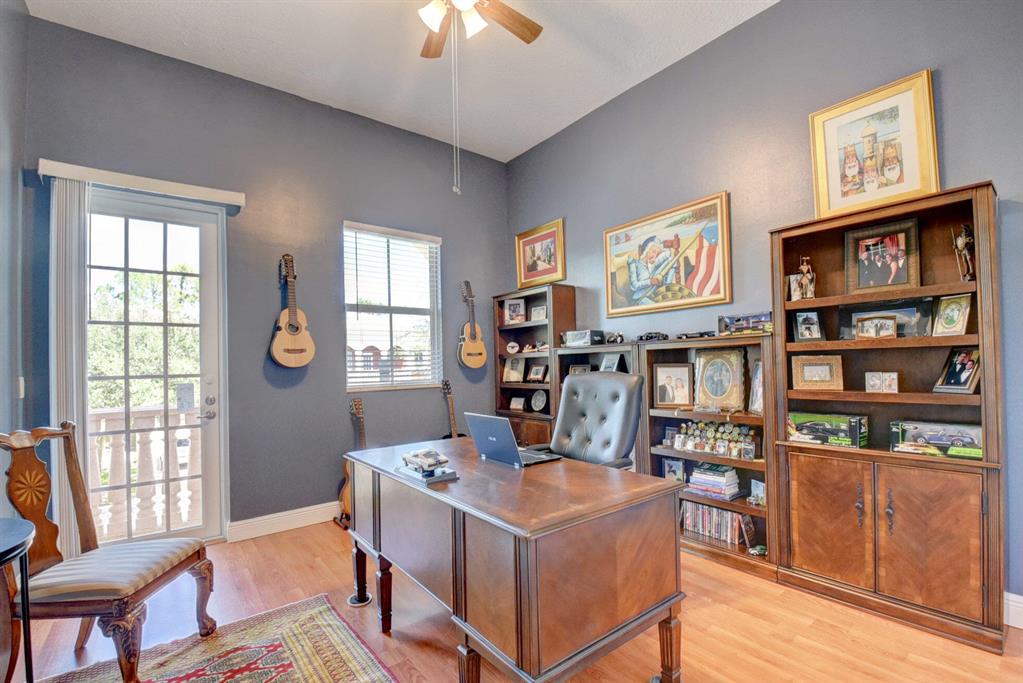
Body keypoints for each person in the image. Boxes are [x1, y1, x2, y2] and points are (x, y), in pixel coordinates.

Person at [628, 236, 677, 304]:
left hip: (654, 297)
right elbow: (634, 286)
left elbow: (670, 257)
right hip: (639, 299)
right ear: (647, 250)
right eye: (653, 251)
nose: (655, 256)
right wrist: (650, 281)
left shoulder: (654, 267)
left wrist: (667, 286)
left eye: (658, 254)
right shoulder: (634, 263)